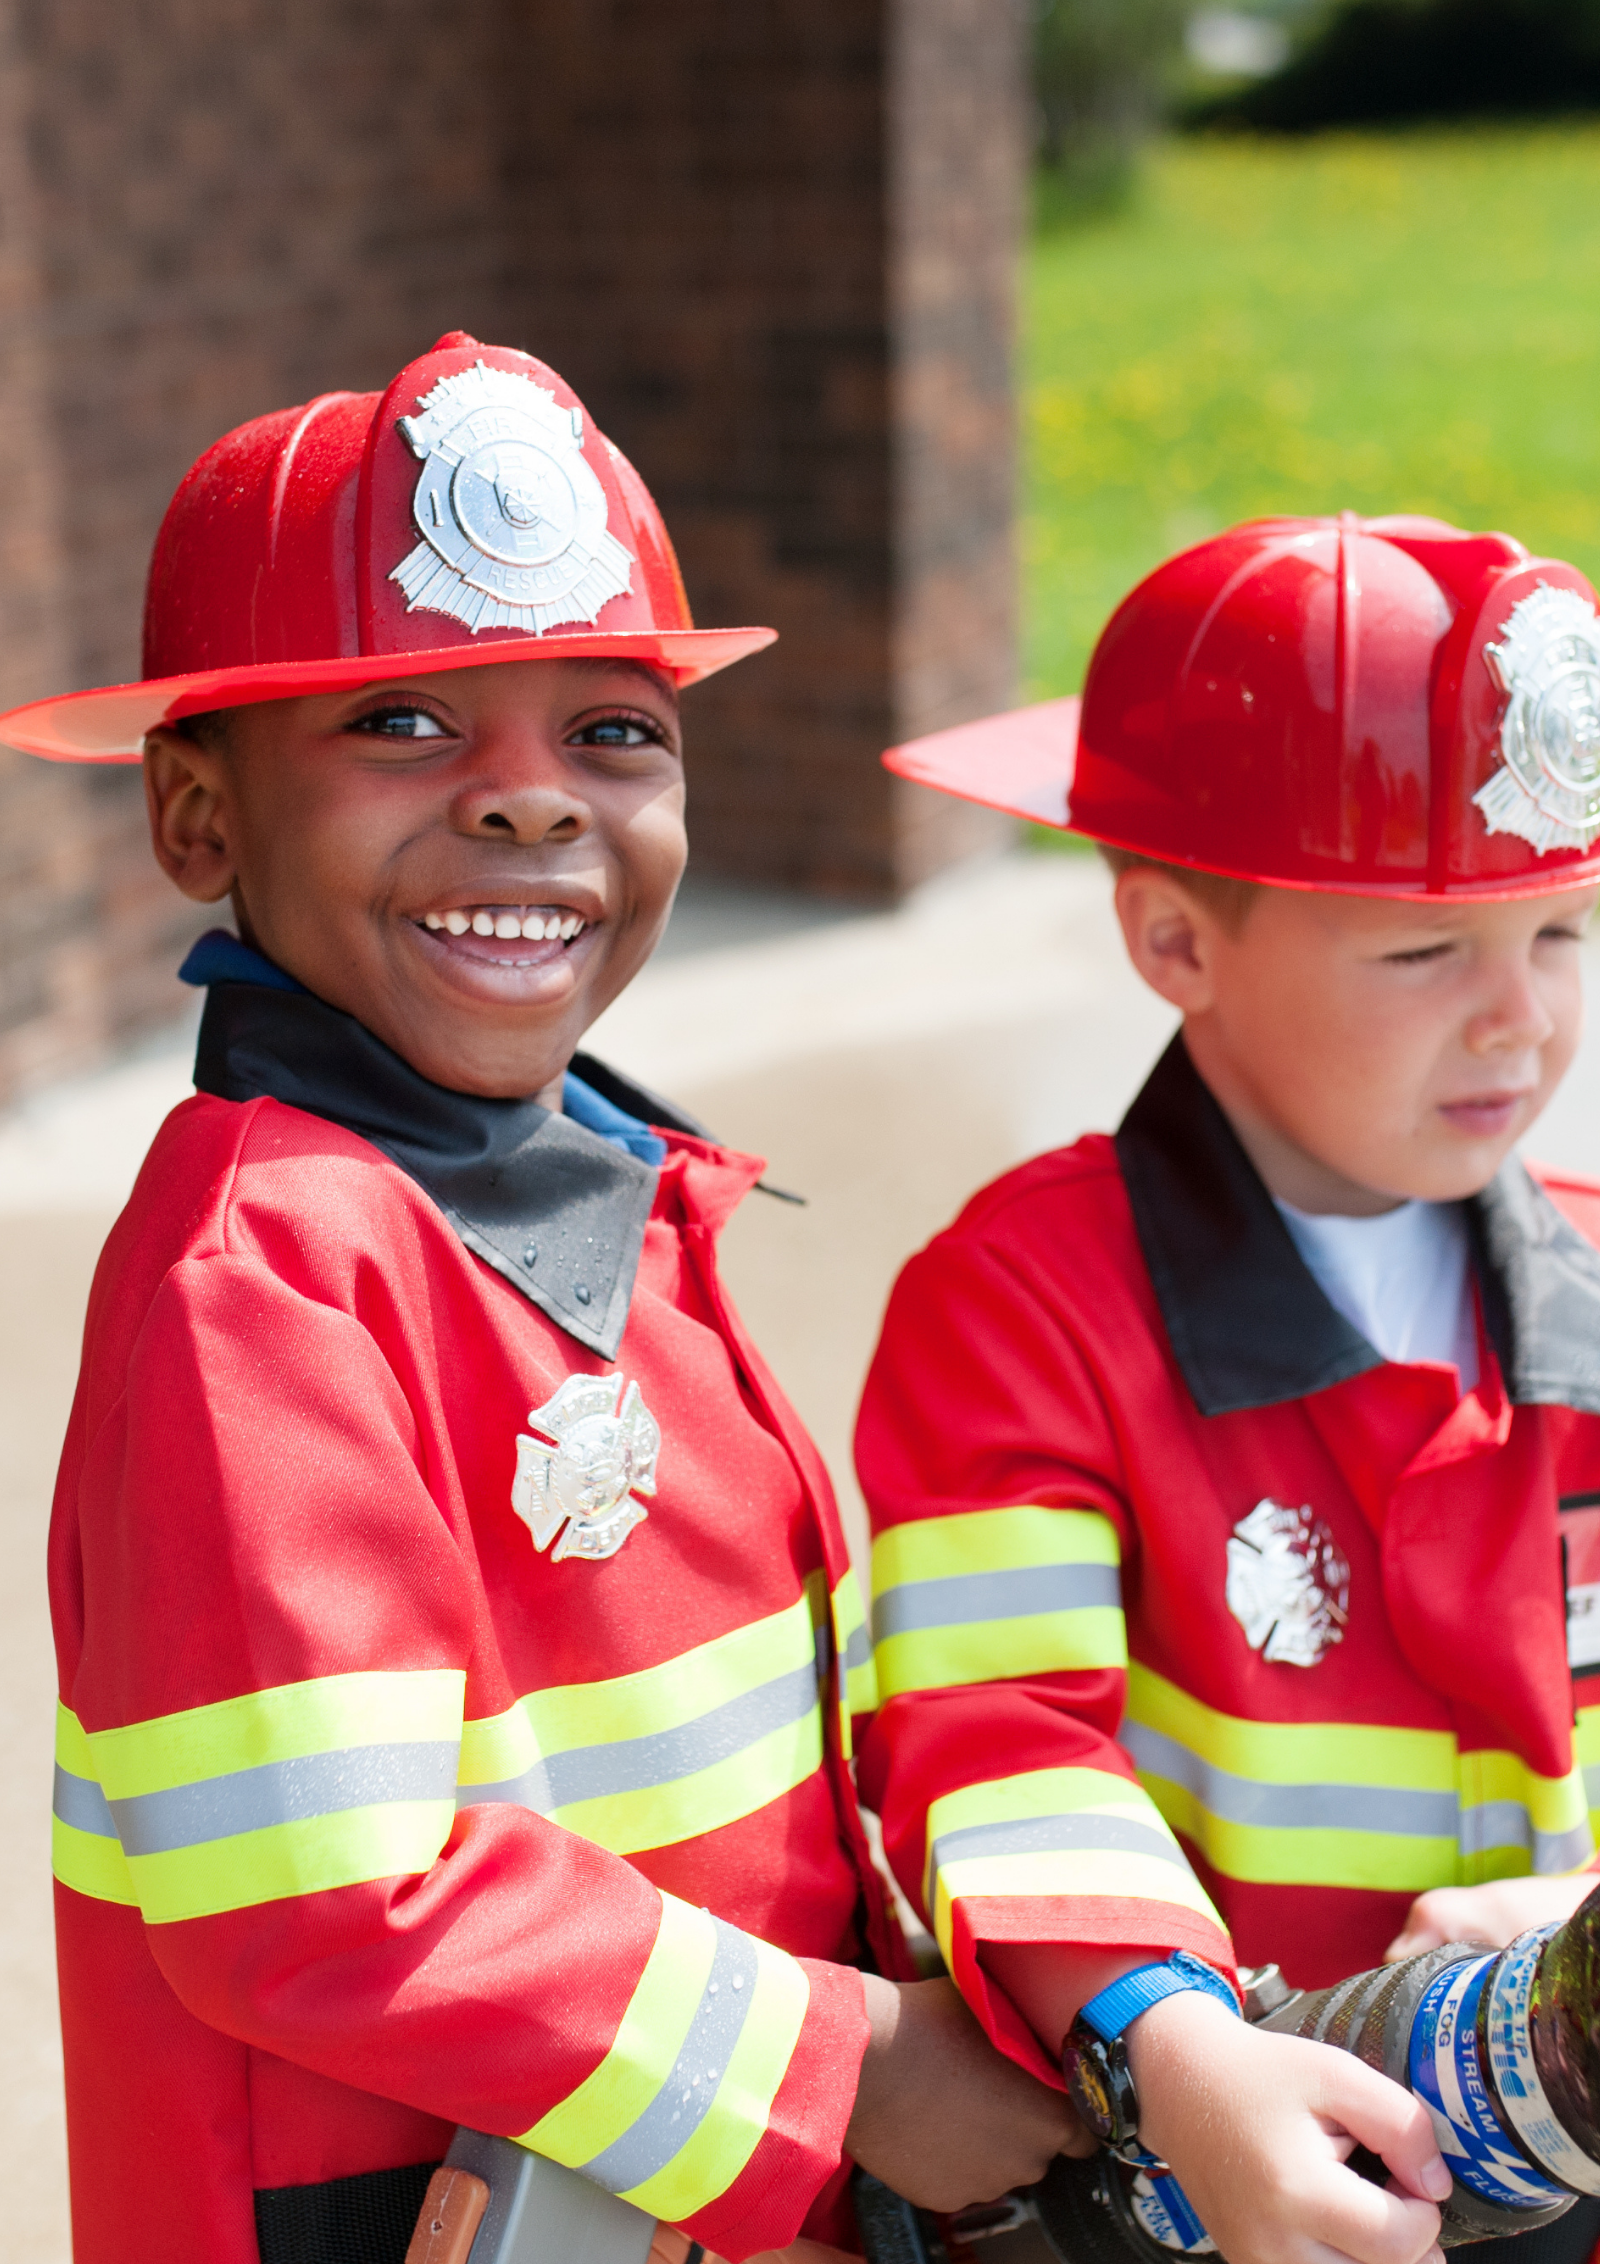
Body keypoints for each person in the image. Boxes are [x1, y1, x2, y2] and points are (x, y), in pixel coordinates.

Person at [0, 334, 1073, 2264]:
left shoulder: (603, 1186)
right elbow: (326, 1897)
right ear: (195, 818)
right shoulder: (266, 1283)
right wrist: (850, 2071)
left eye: (614, 730)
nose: (527, 804)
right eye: (404, 724)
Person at [856, 514, 1600, 2264]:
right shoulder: (1020, 1306)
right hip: (1212, 2172)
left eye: (1561, 935)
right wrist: (1180, 2057)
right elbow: (998, 1743)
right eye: (1426, 955)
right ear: (1176, 941)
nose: (1517, 1023)